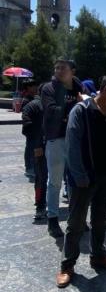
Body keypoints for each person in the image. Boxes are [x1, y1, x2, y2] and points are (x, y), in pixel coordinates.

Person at [56, 75, 106, 289]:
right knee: (76, 224)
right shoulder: (81, 111)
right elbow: (72, 146)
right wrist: (79, 176)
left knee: (100, 220)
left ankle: (98, 256)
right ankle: (67, 266)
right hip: (84, 179)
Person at [41, 59, 87, 238]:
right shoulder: (48, 89)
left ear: (72, 71)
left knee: (77, 181)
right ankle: (52, 219)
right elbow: (51, 111)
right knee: (55, 182)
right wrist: (75, 107)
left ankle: (78, 218)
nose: (58, 71)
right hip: (56, 139)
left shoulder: (79, 88)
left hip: (76, 140)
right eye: (56, 68)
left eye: (63, 68)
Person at [22, 85, 48, 220]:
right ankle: (41, 205)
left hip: (39, 146)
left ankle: (40, 205)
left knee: (41, 178)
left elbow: (26, 127)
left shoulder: (31, 105)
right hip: (46, 146)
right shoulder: (51, 106)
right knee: (44, 178)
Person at [21, 79, 39, 180]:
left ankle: (32, 167)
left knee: (31, 148)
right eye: (33, 86)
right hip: (30, 129)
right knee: (30, 148)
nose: (35, 88)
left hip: (34, 128)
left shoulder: (32, 98)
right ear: (28, 87)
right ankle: (29, 168)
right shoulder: (27, 100)